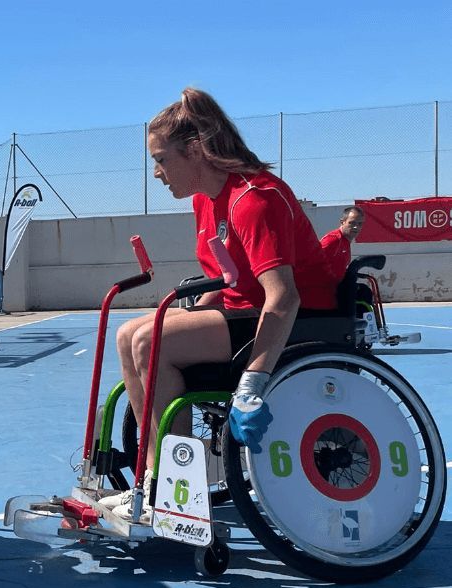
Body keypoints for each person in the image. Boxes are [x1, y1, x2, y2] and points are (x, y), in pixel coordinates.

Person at [108, 88, 337, 520]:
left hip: (300, 318)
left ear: (195, 151)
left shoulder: (255, 199)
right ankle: (156, 475)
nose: (156, 172)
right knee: (129, 334)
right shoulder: (206, 200)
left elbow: (284, 296)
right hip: (243, 309)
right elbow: (228, 275)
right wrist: (189, 315)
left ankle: (178, 489)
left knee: (150, 342)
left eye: (161, 159)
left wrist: (254, 381)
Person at [320, 206, 364, 282]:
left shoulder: (345, 241)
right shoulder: (333, 240)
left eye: (360, 224)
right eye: (352, 223)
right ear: (342, 222)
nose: (356, 227)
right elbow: (314, 264)